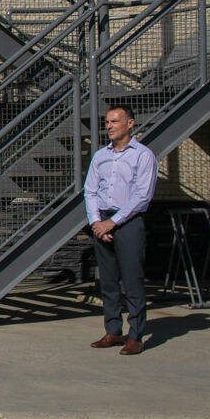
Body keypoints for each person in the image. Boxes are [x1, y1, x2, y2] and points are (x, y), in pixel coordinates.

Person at [83, 104, 157, 355]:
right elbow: (90, 191)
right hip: (102, 222)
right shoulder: (100, 156)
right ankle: (113, 331)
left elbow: (142, 195)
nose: (109, 126)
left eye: (115, 121)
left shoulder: (143, 155)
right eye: (107, 122)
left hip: (128, 222)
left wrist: (112, 222)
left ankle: (135, 335)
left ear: (130, 124)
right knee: (108, 281)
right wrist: (96, 222)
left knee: (132, 280)